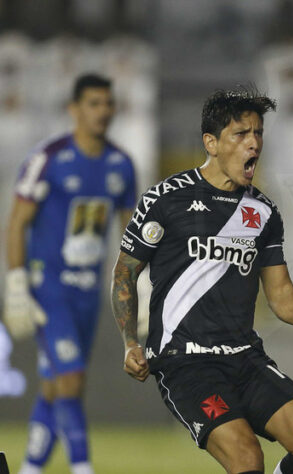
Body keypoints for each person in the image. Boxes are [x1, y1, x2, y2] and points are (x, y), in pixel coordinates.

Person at [111, 89, 293, 474]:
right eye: (241, 134)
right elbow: (125, 272)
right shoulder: (166, 199)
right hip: (186, 363)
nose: (254, 143)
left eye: (259, 133)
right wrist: (130, 341)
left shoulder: (263, 212)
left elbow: (281, 296)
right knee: (248, 459)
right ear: (211, 143)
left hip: (245, 357)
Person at [3, 73, 137, 474]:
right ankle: (83, 468)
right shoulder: (48, 159)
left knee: (54, 386)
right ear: (74, 109)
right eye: (93, 103)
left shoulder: (121, 165)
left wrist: (139, 284)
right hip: (49, 288)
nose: (102, 112)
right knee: (72, 379)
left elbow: (131, 234)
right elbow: (16, 222)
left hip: (87, 291)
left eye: (107, 103)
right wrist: (15, 282)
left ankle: (29, 468)